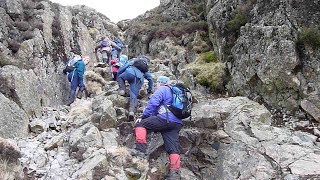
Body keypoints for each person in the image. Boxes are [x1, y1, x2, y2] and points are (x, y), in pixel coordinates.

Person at [133, 76, 182, 180]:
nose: (156, 85)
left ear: (160, 83)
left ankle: (140, 151)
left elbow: (153, 103)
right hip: (176, 123)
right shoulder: (175, 92)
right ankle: (175, 174)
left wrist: (143, 117)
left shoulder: (163, 89)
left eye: (157, 83)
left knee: (140, 124)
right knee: (173, 148)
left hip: (165, 119)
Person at [116, 55, 153, 119]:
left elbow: (120, 70)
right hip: (138, 79)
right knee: (133, 95)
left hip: (129, 72)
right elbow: (150, 79)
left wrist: (119, 76)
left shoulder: (133, 62)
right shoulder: (145, 68)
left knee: (120, 77)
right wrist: (149, 90)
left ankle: (122, 90)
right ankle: (131, 111)